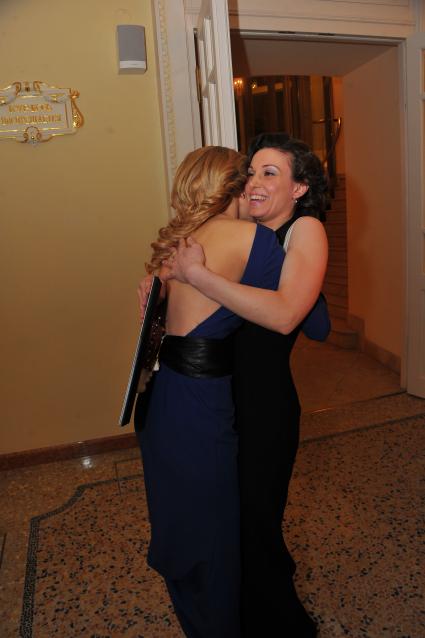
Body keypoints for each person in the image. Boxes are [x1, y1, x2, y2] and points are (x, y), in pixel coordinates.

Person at [161, 132, 329, 637]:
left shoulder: (305, 230)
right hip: (223, 396)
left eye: (270, 173)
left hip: (263, 405)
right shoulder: (244, 233)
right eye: (251, 171)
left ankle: (282, 625)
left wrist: (198, 275)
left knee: (255, 523)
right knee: (230, 522)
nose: (254, 181)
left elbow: (302, 321)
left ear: (299, 188)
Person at [134, 145, 293, 638]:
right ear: (235, 186)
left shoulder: (181, 244)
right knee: (214, 530)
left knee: (183, 516)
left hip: (161, 395)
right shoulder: (253, 240)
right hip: (201, 403)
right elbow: (306, 320)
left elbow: (160, 320)